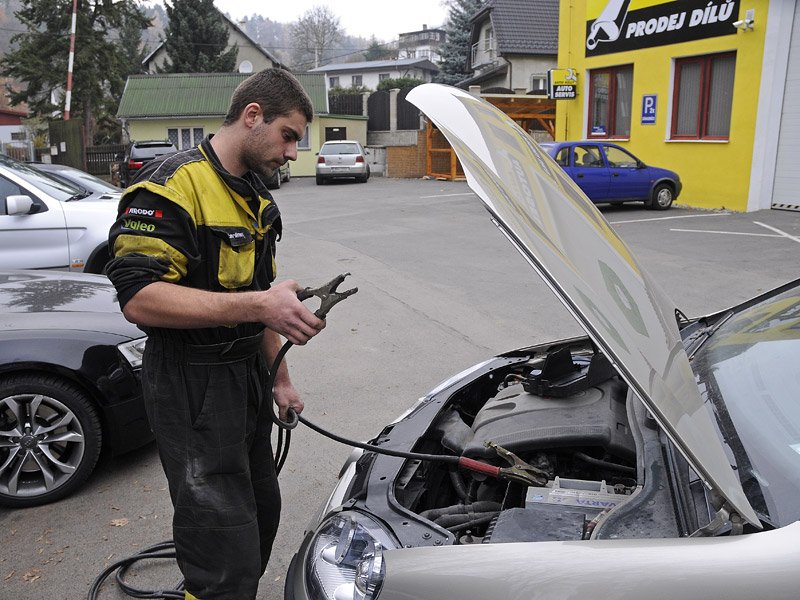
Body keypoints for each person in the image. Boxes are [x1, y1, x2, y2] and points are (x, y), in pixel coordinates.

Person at [105, 68, 326, 600]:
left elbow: (264, 300)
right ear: (253, 115)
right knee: (219, 537)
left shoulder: (257, 200)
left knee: (260, 511)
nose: (293, 152)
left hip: (246, 374)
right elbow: (139, 298)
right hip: (189, 381)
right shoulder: (171, 186)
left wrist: (280, 380)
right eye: (289, 135)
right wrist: (259, 304)